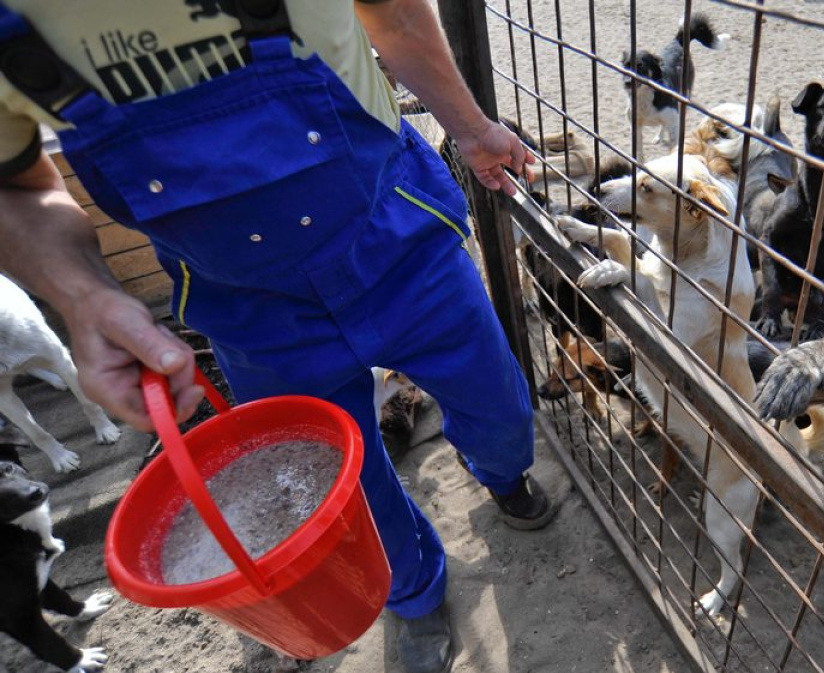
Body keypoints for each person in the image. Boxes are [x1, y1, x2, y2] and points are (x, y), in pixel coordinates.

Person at [0, 1, 550, 671]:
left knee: (499, 406)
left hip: (399, 244)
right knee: (347, 492)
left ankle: (499, 469)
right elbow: (15, 188)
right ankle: (414, 592)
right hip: (253, 313)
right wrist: (82, 294)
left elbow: (398, 13)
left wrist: (471, 128)